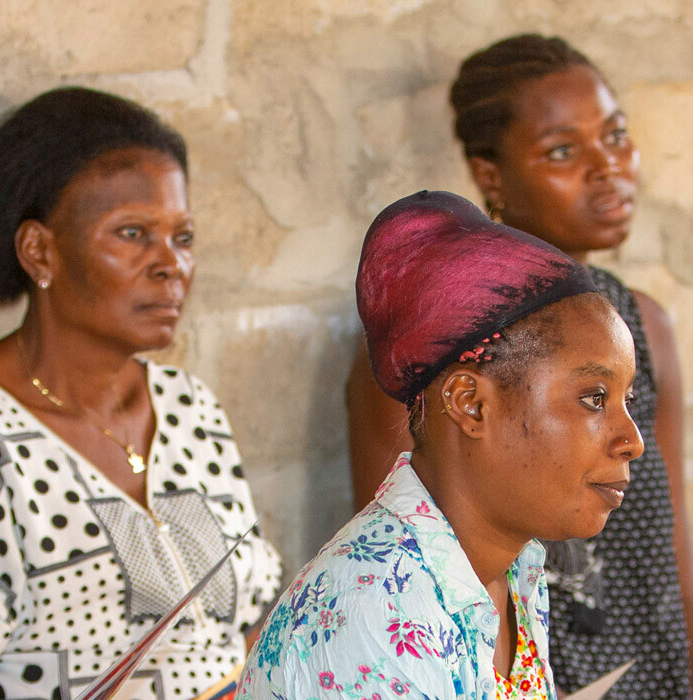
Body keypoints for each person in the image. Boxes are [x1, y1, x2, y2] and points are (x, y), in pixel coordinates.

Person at [343, 34, 693, 700]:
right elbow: (410, 565)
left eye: (615, 136)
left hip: (651, 670)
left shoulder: (644, 326)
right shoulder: (435, 350)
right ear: (491, 177)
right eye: (562, 151)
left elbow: (678, 572)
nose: (607, 167)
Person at [0, 87, 282, 700]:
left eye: (184, 237)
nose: (170, 264)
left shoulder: (188, 405)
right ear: (40, 251)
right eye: (132, 233)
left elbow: (255, 629)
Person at [246, 190, 643, 697]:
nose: (632, 441)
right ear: (471, 404)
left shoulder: (510, 573)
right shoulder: (379, 616)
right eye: (594, 398)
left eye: (626, 399)